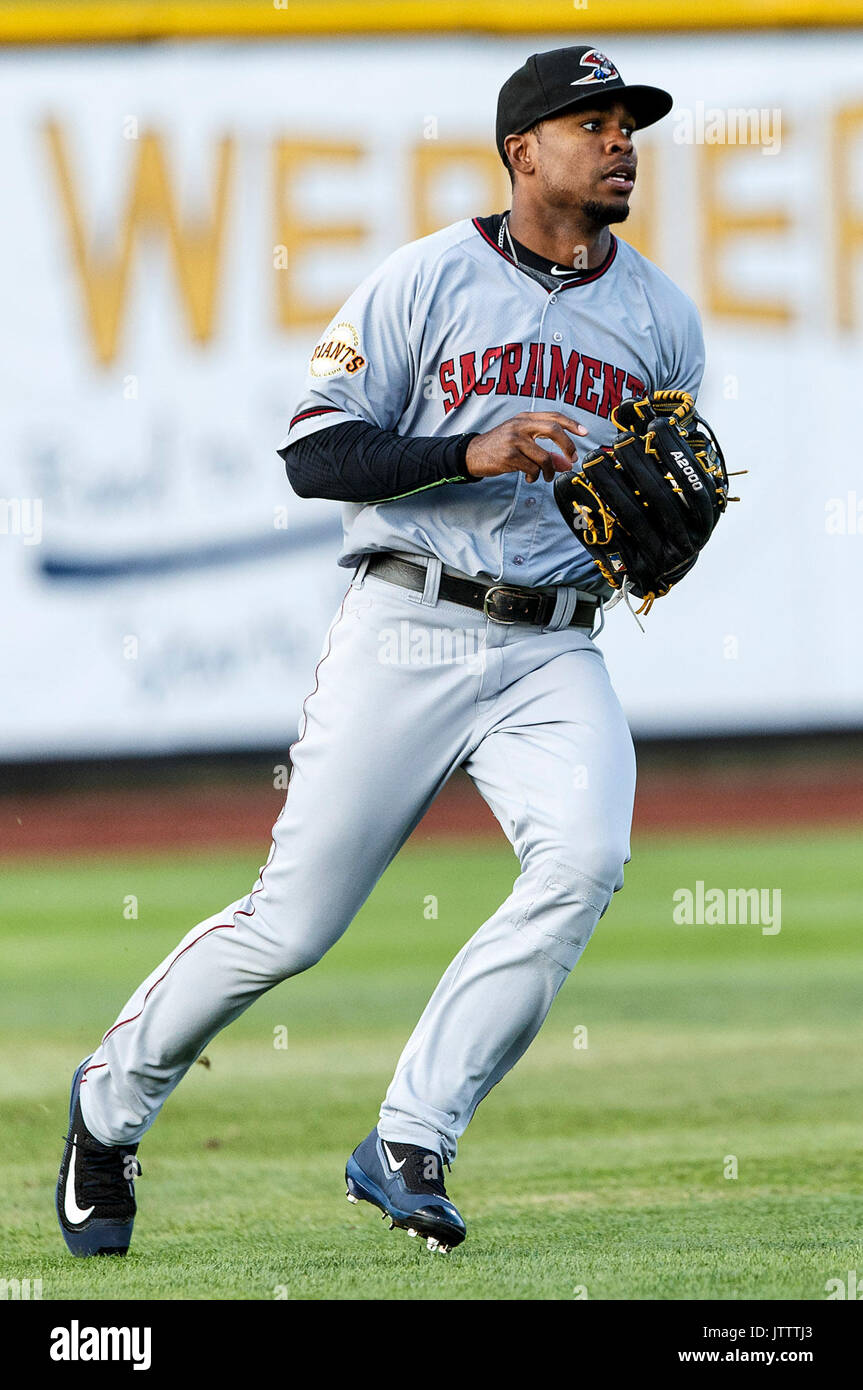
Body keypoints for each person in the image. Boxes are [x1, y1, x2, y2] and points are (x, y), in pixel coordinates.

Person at [56, 44, 703, 1257]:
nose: (621, 144)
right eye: (593, 122)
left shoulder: (661, 318)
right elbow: (314, 457)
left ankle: (411, 1134)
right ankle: (106, 1105)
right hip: (407, 622)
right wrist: (471, 450)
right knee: (290, 927)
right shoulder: (423, 280)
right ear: (523, 150)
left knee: (584, 858)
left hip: (552, 646)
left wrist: (658, 541)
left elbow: (664, 496)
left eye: (630, 126)